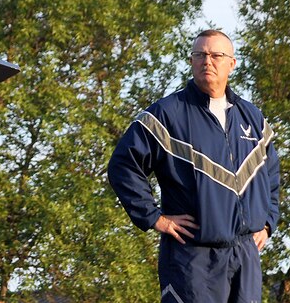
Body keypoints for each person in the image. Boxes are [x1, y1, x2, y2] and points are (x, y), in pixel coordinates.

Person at [107, 30, 280, 303]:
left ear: (232, 63)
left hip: (245, 256)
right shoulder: (167, 114)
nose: (206, 61)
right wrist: (154, 217)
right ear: (191, 61)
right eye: (199, 55)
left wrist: (268, 222)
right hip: (192, 259)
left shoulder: (253, 118)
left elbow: (270, 175)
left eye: (215, 55)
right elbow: (123, 165)